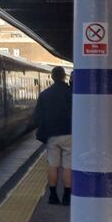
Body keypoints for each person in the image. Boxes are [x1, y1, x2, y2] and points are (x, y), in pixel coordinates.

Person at [34, 66, 72, 205]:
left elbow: (37, 116)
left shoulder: (44, 94)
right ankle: (67, 196)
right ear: (64, 77)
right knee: (68, 166)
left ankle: (53, 196)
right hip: (70, 133)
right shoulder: (71, 93)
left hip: (52, 135)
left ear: (52, 77)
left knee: (53, 165)